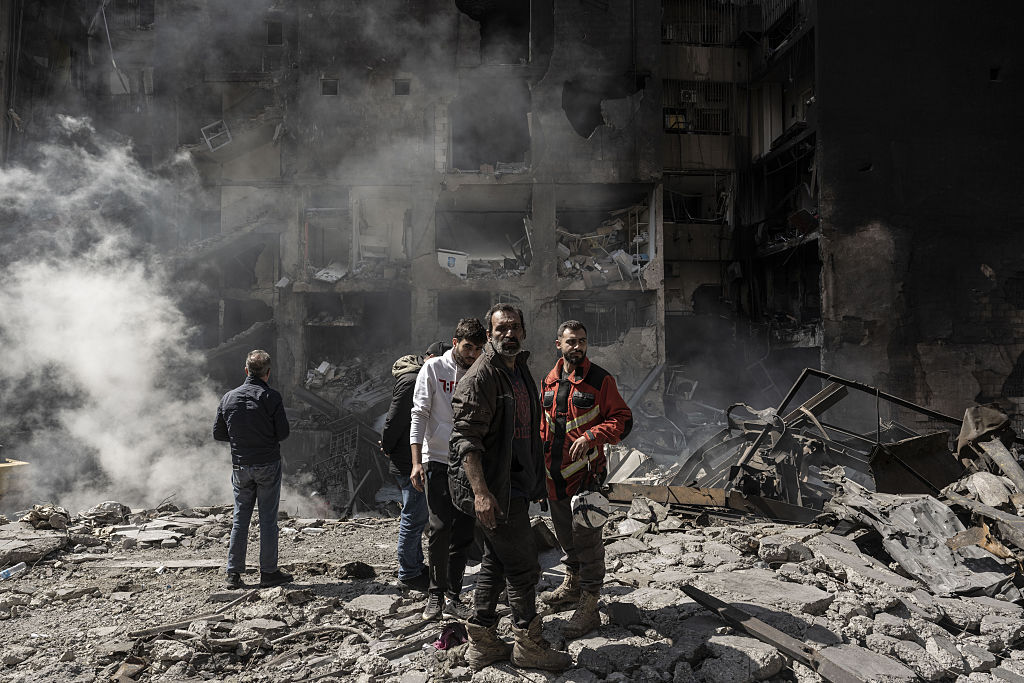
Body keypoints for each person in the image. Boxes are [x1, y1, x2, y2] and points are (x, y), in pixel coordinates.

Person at [449, 304, 571, 671]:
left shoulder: (517, 369)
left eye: (515, 327)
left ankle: (484, 640)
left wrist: (537, 478)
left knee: (495, 561)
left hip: (515, 483)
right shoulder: (481, 377)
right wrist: (481, 494)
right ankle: (529, 645)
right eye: (501, 328)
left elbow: (527, 430)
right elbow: (466, 440)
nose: (509, 334)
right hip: (494, 490)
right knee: (522, 566)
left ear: (524, 331)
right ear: (489, 335)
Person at [538, 320, 632, 638]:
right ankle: (572, 586)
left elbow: (623, 419)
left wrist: (593, 435)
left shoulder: (600, 380)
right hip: (554, 477)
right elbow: (542, 427)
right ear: (559, 345)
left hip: (586, 478)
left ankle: (589, 607)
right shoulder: (548, 381)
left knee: (588, 544)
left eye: (582, 341)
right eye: (571, 341)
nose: (577, 346)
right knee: (566, 538)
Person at [410, 318, 486, 620]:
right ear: (455, 342)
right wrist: (417, 462)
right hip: (437, 459)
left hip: (469, 461)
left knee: (464, 530)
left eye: (478, 349)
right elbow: (419, 414)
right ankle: (435, 594)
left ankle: (454, 596)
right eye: (468, 347)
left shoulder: (481, 371)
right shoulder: (433, 369)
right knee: (440, 527)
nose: (472, 354)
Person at [214, 349, 292, 590]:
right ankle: (268, 572)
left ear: (246, 370)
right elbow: (284, 433)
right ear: (268, 373)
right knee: (268, 519)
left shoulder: (228, 398)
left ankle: (233, 574)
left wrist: (242, 438)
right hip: (267, 464)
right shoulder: (271, 397)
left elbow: (218, 433)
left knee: (240, 519)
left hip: (240, 466)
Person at [381, 341, 449, 591]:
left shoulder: (420, 377)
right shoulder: (413, 380)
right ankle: (409, 572)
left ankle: (416, 566)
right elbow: (395, 419)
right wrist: (388, 447)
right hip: (407, 460)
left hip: (411, 458)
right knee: (414, 516)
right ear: (430, 358)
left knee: (418, 516)